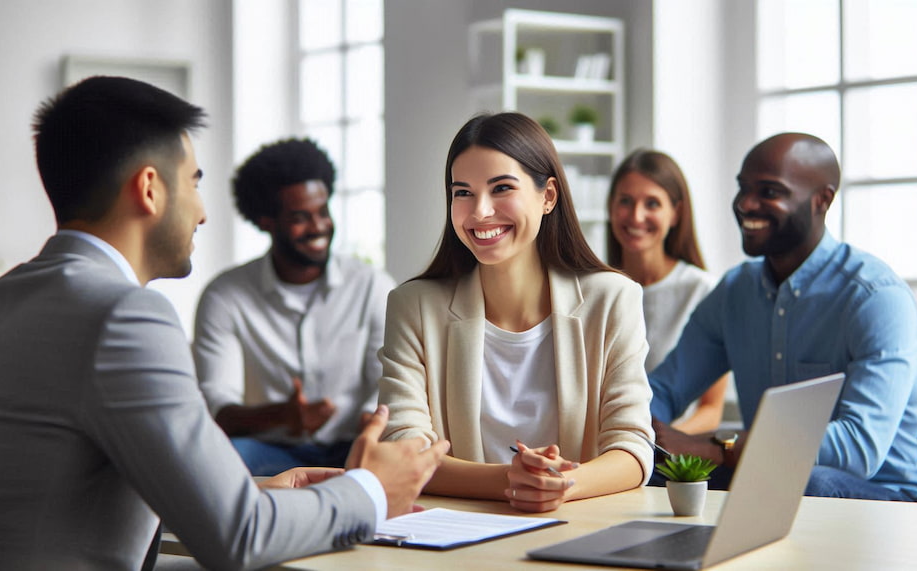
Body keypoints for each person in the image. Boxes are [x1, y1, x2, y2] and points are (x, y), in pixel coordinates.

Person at [0, 76, 448, 570]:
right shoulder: (126, 317)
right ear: (150, 189)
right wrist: (370, 491)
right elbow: (241, 537)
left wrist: (257, 495)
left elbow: (80, 487)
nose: (201, 213)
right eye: (194, 181)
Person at [377, 112, 654, 514]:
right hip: (459, 536)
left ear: (548, 196)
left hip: (577, 528)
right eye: (463, 192)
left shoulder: (612, 299)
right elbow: (404, 449)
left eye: (501, 188)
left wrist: (560, 484)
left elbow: (632, 448)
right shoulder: (414, 307)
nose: (480, 212)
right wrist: (512, 480)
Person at [649, 132, 917, 501]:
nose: (746, 204)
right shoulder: (735, 292)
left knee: (811, 484)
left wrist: (720, 448)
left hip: (884, 498)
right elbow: (666, 389)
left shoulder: (876, 298)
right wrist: (637, 428)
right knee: (653, 468)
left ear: (822, 200)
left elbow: (859, 448)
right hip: (767, 483)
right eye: (743, 188)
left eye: (769, 192)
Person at [193, 138, 395, 475]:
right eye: (300, 217)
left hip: (356, 444)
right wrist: (282, 416)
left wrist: (370, 416)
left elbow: (389, 379)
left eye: (323, 211)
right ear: (265, 221)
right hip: (272, 449)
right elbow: (218, 407)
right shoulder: (225, 296)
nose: (318, 227)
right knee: (221, 462)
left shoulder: (372, 286)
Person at [605, 149, 729, 434]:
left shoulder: (704, 292)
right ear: (611, 208)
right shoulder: (593, 288)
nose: (636, 216)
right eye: (625, 201)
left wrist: (662, 445)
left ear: (676, 214)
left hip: (669, 456)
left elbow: (711, 409)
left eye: (652, 203)